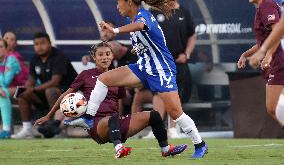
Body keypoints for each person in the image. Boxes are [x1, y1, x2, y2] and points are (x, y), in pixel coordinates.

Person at [68, 0, 208, 158]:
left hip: (160, 69)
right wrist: (139, 47)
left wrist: (115, 30)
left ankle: (200, 144)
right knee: (104, 79)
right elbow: (145, 37)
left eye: (118, 1)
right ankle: (89, 117)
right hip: (143, 66)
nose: (117, 6)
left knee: (175, 113)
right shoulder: (131, 18)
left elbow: (141, 26)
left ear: (129, 2)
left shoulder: (143, 16)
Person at [35, 42, 187, 158]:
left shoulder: (118, 76)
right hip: (95, 124)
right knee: (110, 119)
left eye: (107, 54)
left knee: (153, 116)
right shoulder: (86, 75)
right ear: (94, 58)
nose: (104, 57)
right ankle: (119, 149)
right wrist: (49, 115)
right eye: (100, 54)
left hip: (115, 124)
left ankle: (166, 150)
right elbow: (65, 96)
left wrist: (138, 83)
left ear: (112, 56)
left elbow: (123, 101)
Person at [132, 0, 196, 138]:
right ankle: (158, 128)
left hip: (177, 60)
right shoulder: (153, 12)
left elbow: (192, 35)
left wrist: (186, 54)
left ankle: (173, 129)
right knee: (158, 93)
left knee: (174, 94)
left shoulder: (184, 12)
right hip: (158, 61)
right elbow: (143, 34)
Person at [237, 0, 284, 127]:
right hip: (276, 61)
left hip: (279, 62)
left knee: (273, 107)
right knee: (274, 108)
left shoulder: (266, 6)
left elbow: (277, 31)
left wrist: (268, 55)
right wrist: (246, 54)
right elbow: (265, 41)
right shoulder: (262, 7)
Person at [11, 32, 78, 139]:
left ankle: (56, 128)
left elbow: (55, 82)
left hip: (69, 95)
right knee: (23, 94)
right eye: (36, 44)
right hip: (49, 94)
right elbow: (31, 80)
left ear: (49, 43)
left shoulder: (58, 56)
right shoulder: (35, 59)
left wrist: (34, 89)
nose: (39, 47)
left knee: (50, 91)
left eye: (42, 43)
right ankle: (27, 129)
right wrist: (27, 88)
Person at [0, 39, 21, 139]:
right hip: (9, 89)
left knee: (2, 93)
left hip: (25, 88)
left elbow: (6, 82)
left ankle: (6, 130)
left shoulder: (11, 60)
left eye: (1, 47)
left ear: (6, 49)